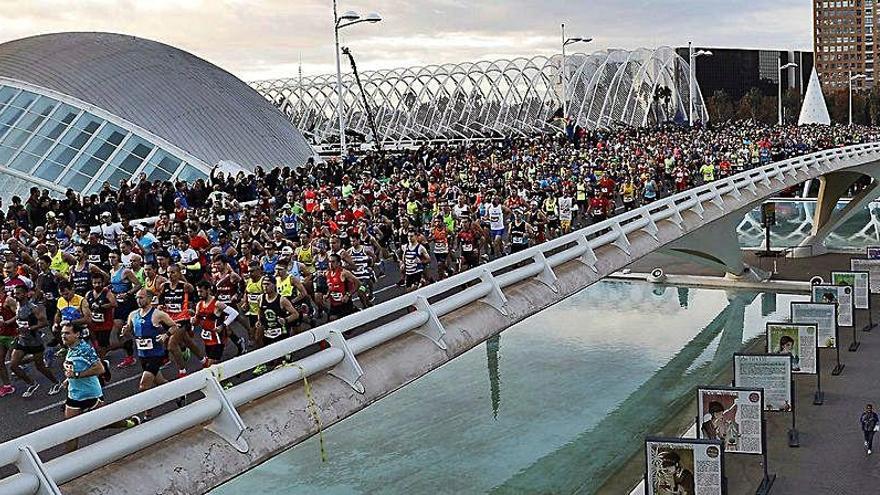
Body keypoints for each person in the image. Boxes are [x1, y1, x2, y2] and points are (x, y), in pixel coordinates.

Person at [60, 321, 139, 451]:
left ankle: (129, 423)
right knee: (71, 432)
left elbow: (100, 369)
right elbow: (73, 369)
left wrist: (77, 375)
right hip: (74, 395)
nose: (63, 336)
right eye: (62, 333)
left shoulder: (85, 350)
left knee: (102, 424)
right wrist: (68, 379)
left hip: (91, 394)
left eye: (67, 333)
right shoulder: (70, 348)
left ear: (77, 334)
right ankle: (71, 462)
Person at [120, 289, 179, 420]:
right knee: (160, 381)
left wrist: (165, 335)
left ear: (149, 298)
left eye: (141, 297)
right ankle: (179, 394)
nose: (138, 300)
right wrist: (125, 332)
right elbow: (129, 333)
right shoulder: (133, 314)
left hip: (156, 354)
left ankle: (147, 415)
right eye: (137, 298)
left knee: (144, 386)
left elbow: (174, 327)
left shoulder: (158, 314)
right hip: (142, 354)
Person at [9, 285, 63, 397]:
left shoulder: (32, 308)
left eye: (18, 293)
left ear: (25, 294)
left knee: (40, 367)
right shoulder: (18, 305)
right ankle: (32, 384)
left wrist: (29, 328)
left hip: (34, 341)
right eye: (15, 293)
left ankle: (57, 383)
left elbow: (44, 323)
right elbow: (19, 319)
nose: (15, 295)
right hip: (22, 340)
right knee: (13, 365)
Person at [192, 281, 239, 367]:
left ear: (208, 290)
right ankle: (223, 379)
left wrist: (223, 325)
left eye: (201, 291)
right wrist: (193, 321)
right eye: (198, 291)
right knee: (212, 365)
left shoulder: (217, 304)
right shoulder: (199, 305)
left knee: (210, 365)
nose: (199, 294)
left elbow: (234, 313)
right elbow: (196, 321)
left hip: (217, 339)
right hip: (207, 339)